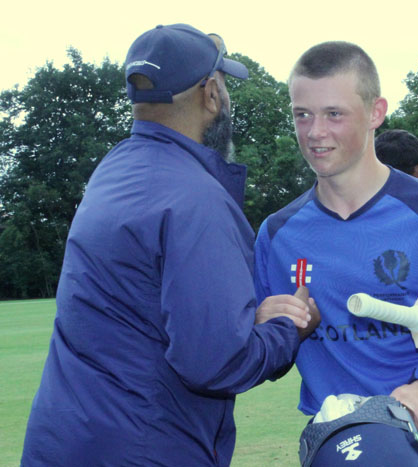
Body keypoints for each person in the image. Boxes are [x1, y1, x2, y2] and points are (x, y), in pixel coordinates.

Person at [21, 24, 317, 467]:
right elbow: (217, 362)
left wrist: (244, 322)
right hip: (144, 448)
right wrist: (289, 329)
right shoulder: (196, 198)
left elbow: (146, 312)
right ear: (211, 94)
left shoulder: (112, 170)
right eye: (224, 85)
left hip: (63, 440)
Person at [253, 41, 418, 466]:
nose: (315, 132)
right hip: (336, 443)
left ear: (376, 112)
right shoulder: (277, 233)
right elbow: (262, 363)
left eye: (334, 114)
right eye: (302, 114)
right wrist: (268, 329)